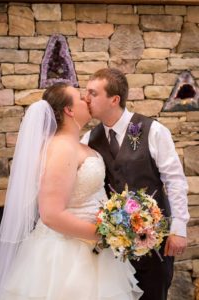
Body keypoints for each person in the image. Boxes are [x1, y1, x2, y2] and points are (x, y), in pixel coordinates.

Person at [0, 83, 143, 300]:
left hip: (92, 249)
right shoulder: (61, 148)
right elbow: (51, 214)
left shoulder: (80, 145)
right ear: (69, 110)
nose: (87, 99)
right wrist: (105, 234)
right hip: (65, 255)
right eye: (80, 97)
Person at [81, 68, 190, 300]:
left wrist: (179, 228)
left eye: (93, 93)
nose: (86, 98)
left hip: (155, 244)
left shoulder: (153, 131)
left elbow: (175, 180)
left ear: (114, 99)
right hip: (112, 251)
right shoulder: (88, 140)